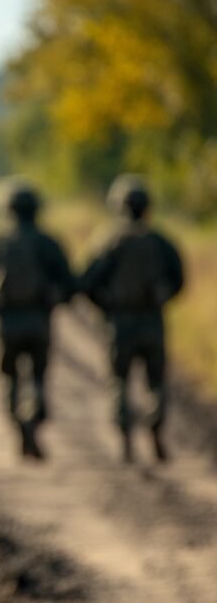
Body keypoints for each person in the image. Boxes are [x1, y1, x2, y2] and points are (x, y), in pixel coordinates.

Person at [0, 178, 76, 460]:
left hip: (6, 323)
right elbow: (70, 285)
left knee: (10, 379)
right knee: (38, 377)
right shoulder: (48, 243)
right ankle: (35, 413)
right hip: (40, 322)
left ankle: (20, 423)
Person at [82, 174, 183, 463]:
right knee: (156, 382)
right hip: (152, 322)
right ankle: (155, 427)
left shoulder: (109, 240)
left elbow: (88, 282)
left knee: (119, 382)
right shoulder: (160, 242)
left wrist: (107, 306)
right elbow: (178, 280)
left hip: (121, 323)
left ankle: (125, 439)